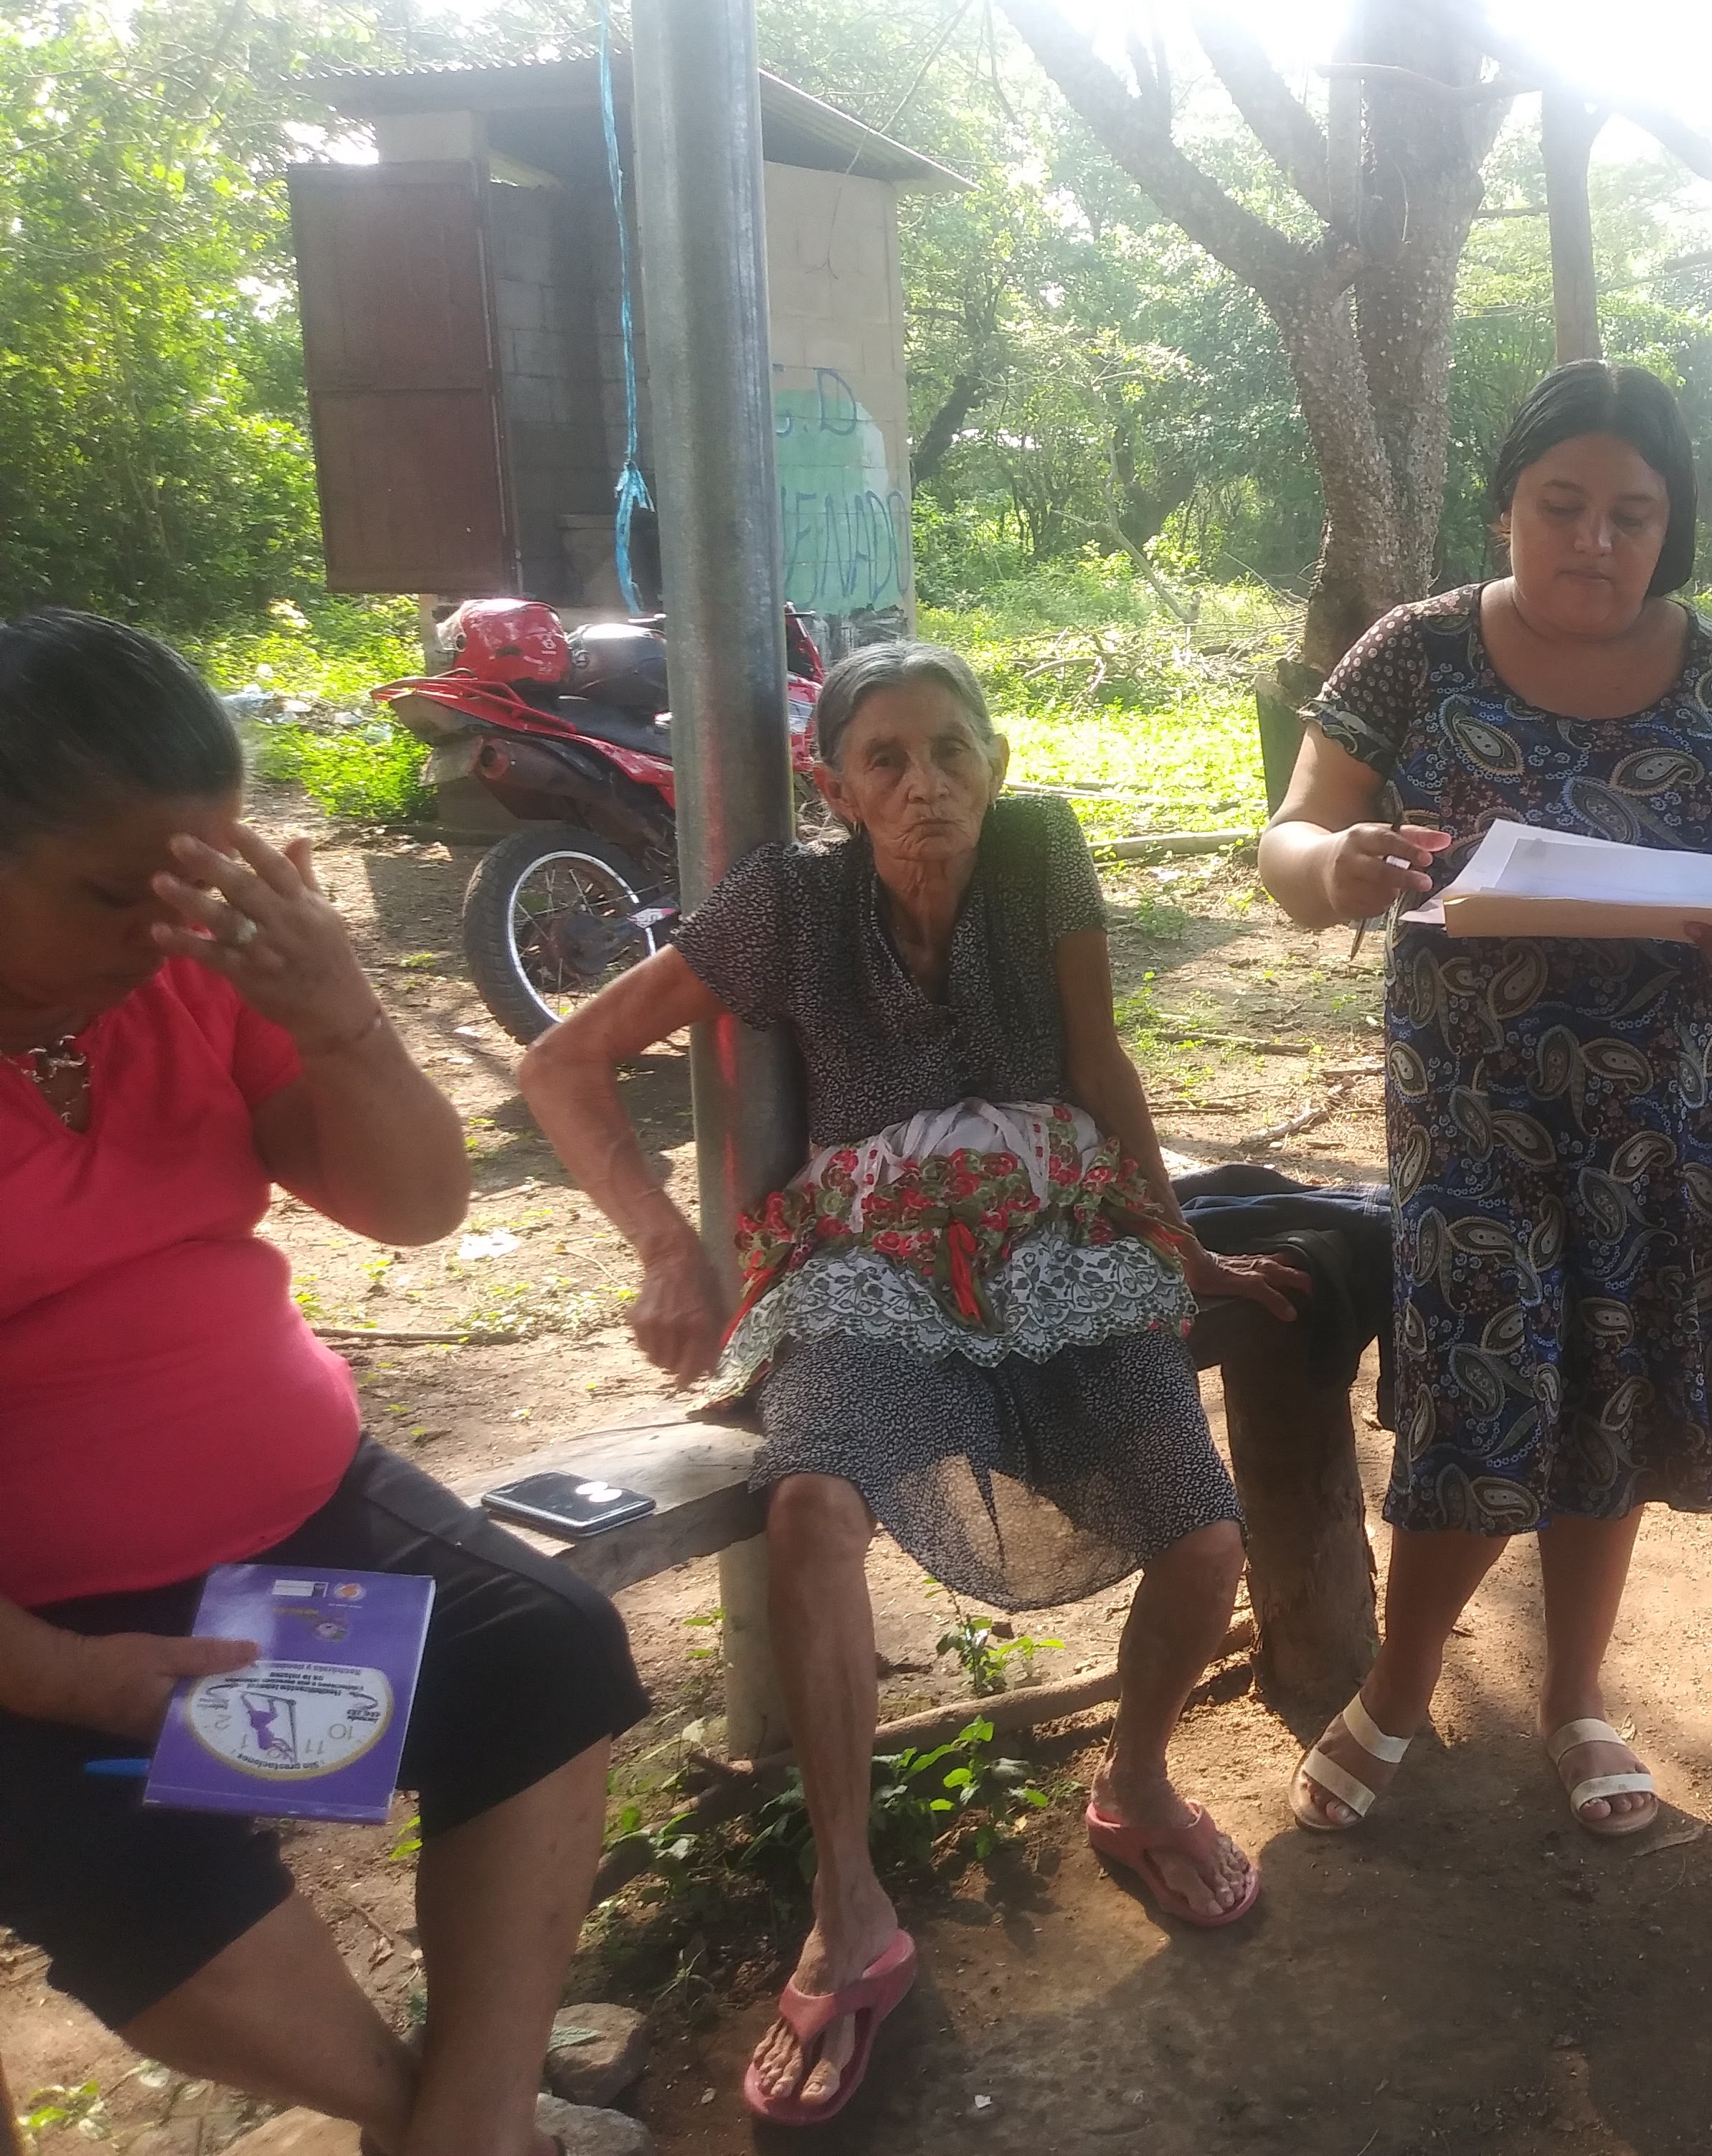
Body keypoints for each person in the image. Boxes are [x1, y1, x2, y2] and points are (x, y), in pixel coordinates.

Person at [521, 643, 1305, 2124]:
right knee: (813, 1501)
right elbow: (564, 1065)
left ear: (995, 763)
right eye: (882, 758)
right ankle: (846, 1897)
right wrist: (669, 1255)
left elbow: (1098, 1057)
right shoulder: (790, 903)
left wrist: (1185, 1254)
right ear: (832, 785)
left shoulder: (1039, 854)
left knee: (1201, 1535)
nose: (922, 783)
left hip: (1063, 1239)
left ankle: (1132, 1785)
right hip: (869, 1262)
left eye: (952, 749)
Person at [0, 610, 646, 2156]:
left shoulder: (193, 980)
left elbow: (416, 1207)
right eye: (112, 892)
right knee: (132, 1860)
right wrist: (65, 1678)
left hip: (293, 1505)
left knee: (545, 1656)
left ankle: (472, 2123)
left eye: (199, 883)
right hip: (32, 1624)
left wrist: (339, 1019)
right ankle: (430, 2117)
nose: (165, 932)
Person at [1258, 361, 1712, 1843]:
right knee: (1476, 1404)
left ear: (1675, 527)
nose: (1594, 539)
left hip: (1669, 1118)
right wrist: (1339, 867)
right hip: (1475, 1113)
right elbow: (1292, 834)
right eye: (1562, 505)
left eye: (1632, 514)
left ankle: (1576, 1695)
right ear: (1509, 505)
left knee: (1618, 1397)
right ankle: (1397, 1689)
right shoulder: (1416, 653)